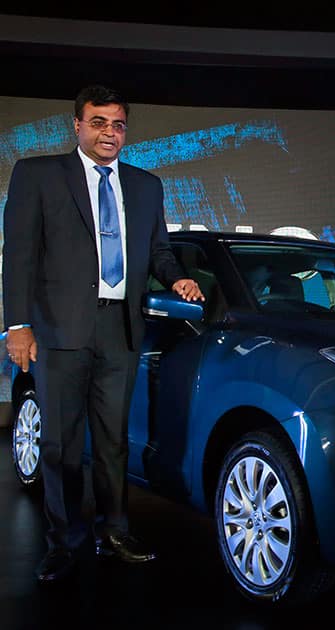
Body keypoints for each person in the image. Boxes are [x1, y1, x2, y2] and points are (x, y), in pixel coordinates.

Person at [1, 84, 204, 583]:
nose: (109, 133)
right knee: (62, 444)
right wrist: (17, 325)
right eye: (98, 122)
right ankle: (66, 543)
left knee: (113, 442)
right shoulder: (39, 174)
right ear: (77, 125)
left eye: (117, 124)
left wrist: (174, 274)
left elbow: (157, 250)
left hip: (121, 328)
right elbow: (19, 254)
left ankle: (114, 533)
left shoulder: (145, 185)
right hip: (59, 329)